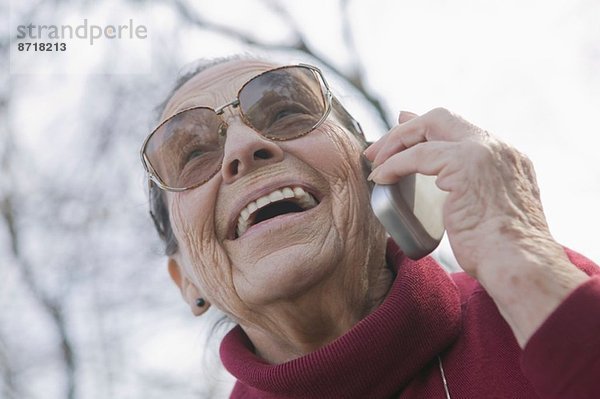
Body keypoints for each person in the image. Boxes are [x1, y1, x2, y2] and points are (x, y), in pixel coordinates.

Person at [139, 56, 600, 398]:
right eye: (194, 155)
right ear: (186, 282)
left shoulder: (542, 305)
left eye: (285, 113)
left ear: (380, 173)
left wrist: (525, 263)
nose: (244, 147)